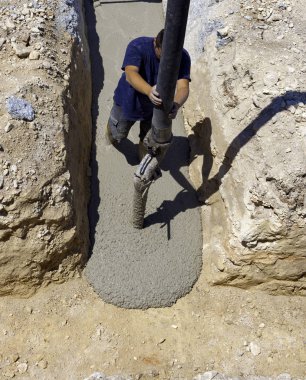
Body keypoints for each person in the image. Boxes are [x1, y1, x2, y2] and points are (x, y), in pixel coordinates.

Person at [106, 29, 191, 158]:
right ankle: (109, 141)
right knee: (118, 133)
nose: (168, 62)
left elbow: (183, 87)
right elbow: (130, 74)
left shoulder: (182, 57)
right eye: (163, 57)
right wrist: (149, 91)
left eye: (172, 59)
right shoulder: (137, 46)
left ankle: (142, 159)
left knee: (149, 144)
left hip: (156, 109)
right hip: (128, 101)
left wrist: (177, 104)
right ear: (155, 43)